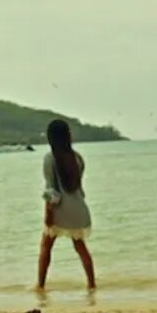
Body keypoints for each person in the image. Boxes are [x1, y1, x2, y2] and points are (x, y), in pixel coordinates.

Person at [37, 119, 96, 296]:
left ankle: (40, 286)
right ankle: (92, 284)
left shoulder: (50, 158)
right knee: (81, 247)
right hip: (78, 208)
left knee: (46, 247)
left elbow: (51, 191)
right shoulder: (77, 158)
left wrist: (48, 213)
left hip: (59, 210)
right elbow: (77, 186)